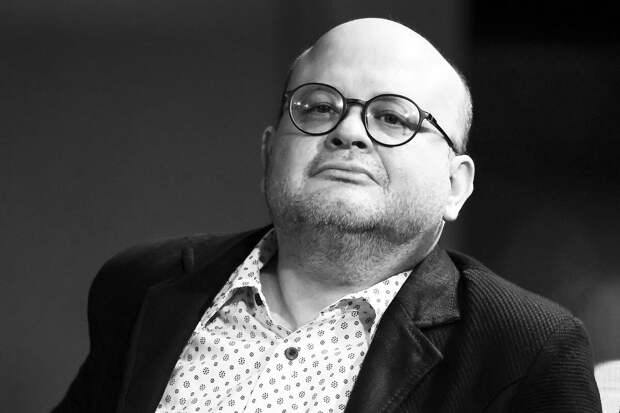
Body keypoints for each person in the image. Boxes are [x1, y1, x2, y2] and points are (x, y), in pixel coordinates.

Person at [52, 18, 602, 413]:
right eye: (318, 107)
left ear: (455, 185)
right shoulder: (140, 286)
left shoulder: (523, 350)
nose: (348, 131)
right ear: (269, 152)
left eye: (392, 118)